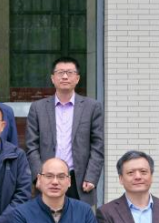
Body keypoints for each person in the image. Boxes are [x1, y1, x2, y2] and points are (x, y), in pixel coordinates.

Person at [26, 57, 105, 205]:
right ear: (52, 78)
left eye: (69, 72)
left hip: (79, 180)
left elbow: (97, 145)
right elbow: (31, 145)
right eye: (60, 72)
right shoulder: (38, 108)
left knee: (78, 218)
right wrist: (38, 176)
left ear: (77, 78)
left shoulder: (92, 107)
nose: (64, 76)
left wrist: (91, 177)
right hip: (48, 179)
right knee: (46, 218)